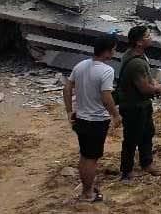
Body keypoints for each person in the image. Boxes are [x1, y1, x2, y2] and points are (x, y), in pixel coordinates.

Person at [63, 37, 122, 203]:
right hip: (96, 121)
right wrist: (115, 115)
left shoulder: (80, 65)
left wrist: (69, 111)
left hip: (80, 118)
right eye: (114, 49)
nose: (114, 52)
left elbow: (67, 88)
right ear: (108, 51)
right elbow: (106, 97)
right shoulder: (106, 71)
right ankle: (87, 194)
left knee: (85, 154)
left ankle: (86, 187)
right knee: (91, 158)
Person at [117, 25, 161, 181]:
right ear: (138, 42)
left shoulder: (136, 55)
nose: (150, 38)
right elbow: (144, 88)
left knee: (147, 133)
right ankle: (127, 170)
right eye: (147, 36)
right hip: (134, 106)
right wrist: (159, 87)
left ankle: (146, 162)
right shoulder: (136, 63)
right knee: (132, 138)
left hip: (141, 104)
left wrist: (153, 84)